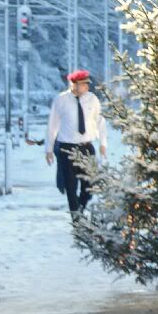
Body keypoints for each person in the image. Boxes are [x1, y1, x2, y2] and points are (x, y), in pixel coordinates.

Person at [45, 69, 107, 218]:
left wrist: (103, 143)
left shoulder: (92, 99)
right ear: (73, 84)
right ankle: (76, 219)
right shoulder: (60, 100)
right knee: (70, 186)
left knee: (89, 185)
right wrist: (48, 149)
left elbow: (100, 121)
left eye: (87, 84)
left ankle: (80, 207)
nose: (86, 87)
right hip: (67, 149)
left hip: (87, 147)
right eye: (83, 84)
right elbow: (52, 125)